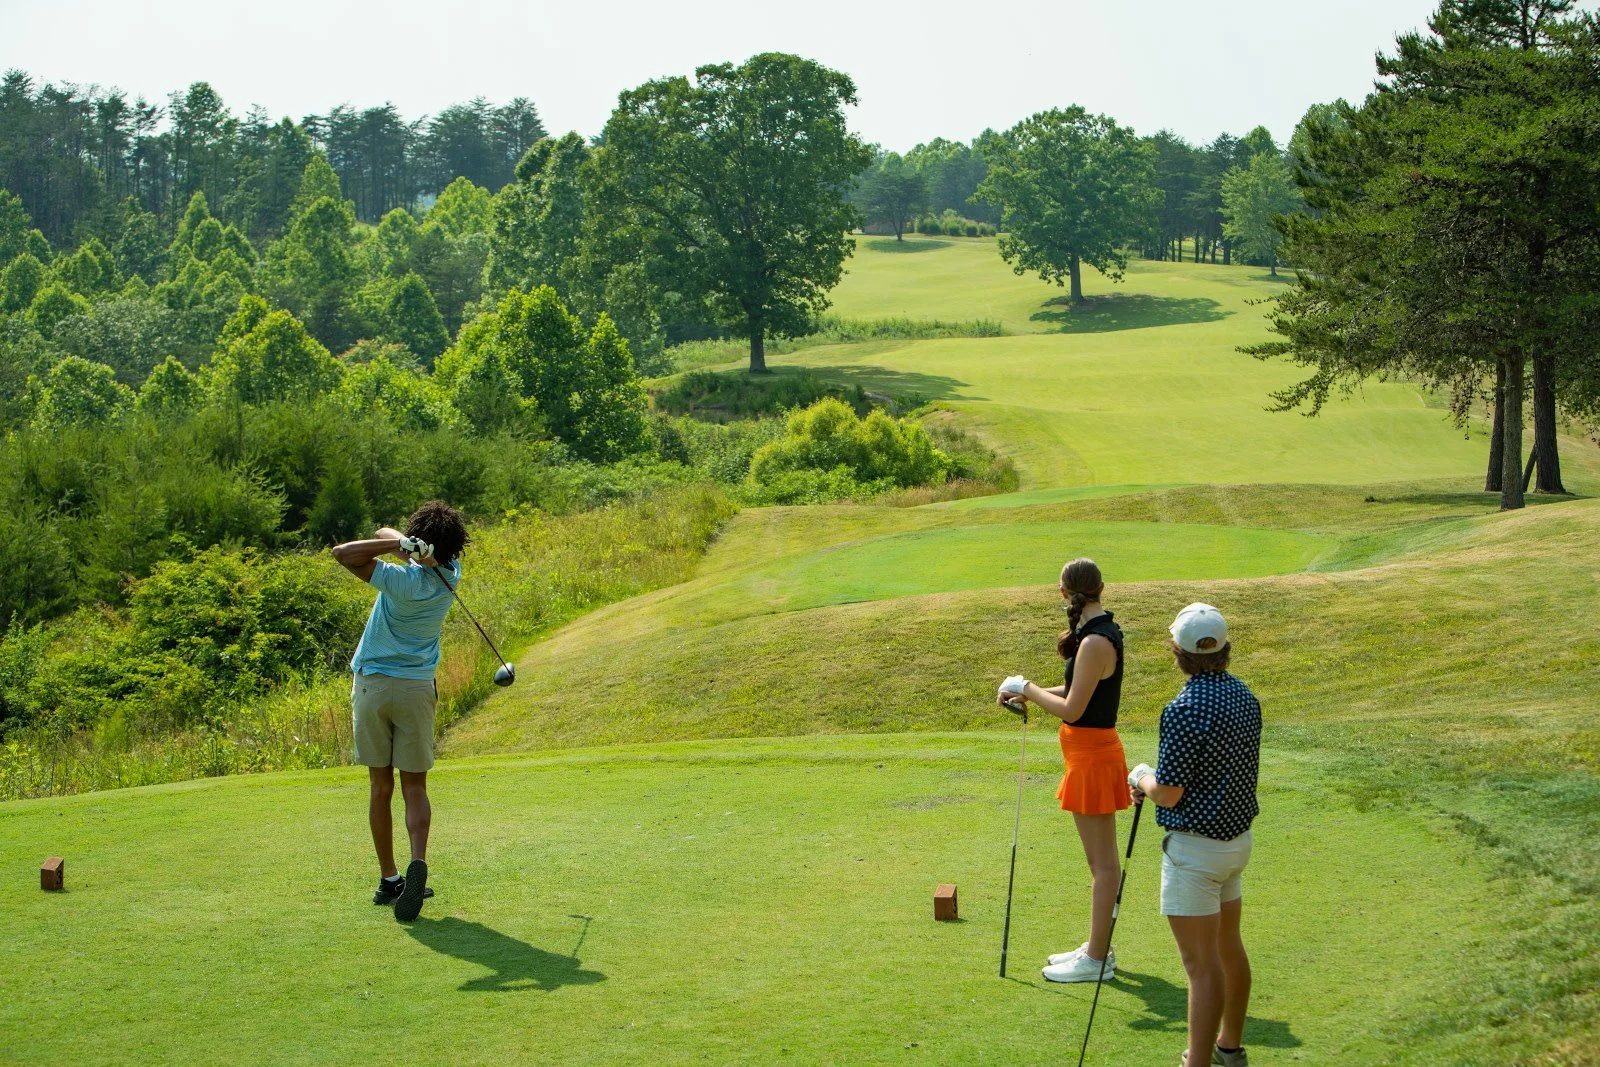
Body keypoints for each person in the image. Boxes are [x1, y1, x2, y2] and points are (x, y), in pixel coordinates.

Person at [1128, 603, 1262, 1067]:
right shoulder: (1245, 695)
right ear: (1224, 648)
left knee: (1201, 968)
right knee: (1229, 950)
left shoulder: (1183, 708)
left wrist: (1140, 776)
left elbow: (1167, 793)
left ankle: (1197, 1063)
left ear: (1177, 652)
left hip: (1194, 852)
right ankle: (1230, 1049)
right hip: (1236, 845)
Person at [331, 500, 470, 923]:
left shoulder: (398, 581)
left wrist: (403, 549)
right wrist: (413, 549)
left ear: (421, 541)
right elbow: (388, 532)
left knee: (380, 787)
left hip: (373, 685)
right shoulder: (450, 576)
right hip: (416, 690)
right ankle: (418, 861)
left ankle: (390, 878)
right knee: (415, 787)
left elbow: (344, 553)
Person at [996, 557, 1132, 984]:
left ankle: (1096, 959)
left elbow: (1072, 709)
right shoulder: (1095, 634)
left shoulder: (1095, 641)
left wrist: (1028, 688)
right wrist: (1029, 694)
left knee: (1103, 866)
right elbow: (1077, 692)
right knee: (1100, 864)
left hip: (1093, 757)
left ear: (1062, 592)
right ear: (1102, 588)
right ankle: (1098, 949)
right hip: (1086, 755)